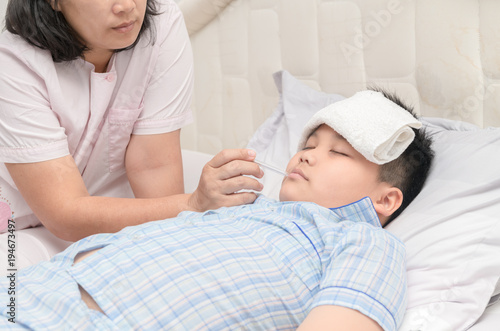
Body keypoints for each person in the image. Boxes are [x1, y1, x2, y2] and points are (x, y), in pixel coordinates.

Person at [0, 90, 434, 330]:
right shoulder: (239, 207)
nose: (305, 156)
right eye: (308, 144)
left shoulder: (362, 244)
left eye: (338, 153)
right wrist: (197, 203)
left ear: (385, 200)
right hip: (25, 295)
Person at [0, 0, 263, 270]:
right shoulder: (12, 63)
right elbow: (65, 212)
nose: (126, 6)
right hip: (15, 228)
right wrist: (191, 204)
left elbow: (153, 164)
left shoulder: (161, 24)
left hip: (108, 211)